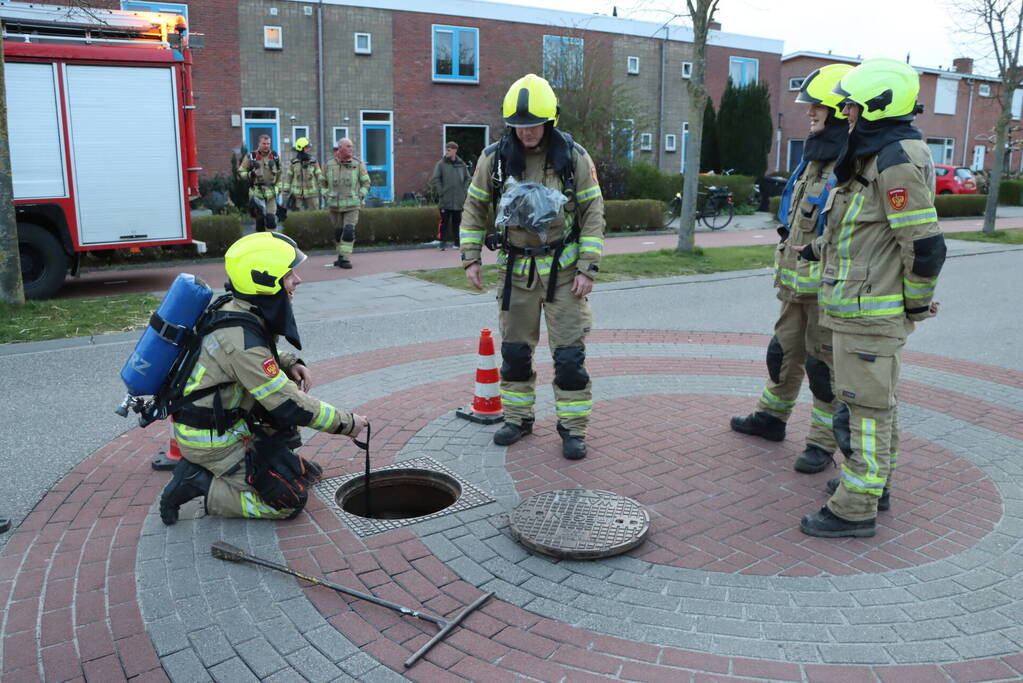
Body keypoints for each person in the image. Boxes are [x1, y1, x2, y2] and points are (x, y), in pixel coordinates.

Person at [798, 58, 945, 537]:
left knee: (865, 411)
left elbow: (923, 245)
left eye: (852, 104)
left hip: (869, 313)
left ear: (877, 105)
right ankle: (874, 485)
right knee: (873, 405)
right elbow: (862, 231)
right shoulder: (874, 152)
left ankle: (854, 507)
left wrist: (917, 305)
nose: (845, 111)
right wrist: (814, 248)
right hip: (856, 307)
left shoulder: (894, 158)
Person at [159, 231, 369, 524]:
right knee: (286, 501)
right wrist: (346, 423)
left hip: (227, 422)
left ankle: (262, 460)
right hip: (212, 439)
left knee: (305, 475)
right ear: (263, 280)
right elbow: (286, 402)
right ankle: (199, 483)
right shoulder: (239, 338)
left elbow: (250, 357)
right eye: (289, 274)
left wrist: (288, 361)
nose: (298, 280)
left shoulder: (239, 306)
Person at [460, 73, 605, 460]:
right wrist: (470, 258)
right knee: (514, 354)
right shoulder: (493, 159)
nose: (526, 133)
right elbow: (474, 209)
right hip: (515, 275)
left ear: (550, 119)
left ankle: (573, 429)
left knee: (570, 357)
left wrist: (587, 267)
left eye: (534, 124)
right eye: (519, 126)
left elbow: (593, 211)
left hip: (564, 275)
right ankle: (518, 419)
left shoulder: (573, 157)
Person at [730, 64, 851, 474]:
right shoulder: (816, 159)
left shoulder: (850, 165)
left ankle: (822, 443)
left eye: (817, 107)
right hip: (795, 288)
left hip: (826, 292)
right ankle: (771, 418)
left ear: (838, 110)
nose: (809, 114)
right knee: (782, 354)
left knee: (822, 368)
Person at [321, 138, 371, 268]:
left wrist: (361, 194)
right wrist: (325, 193)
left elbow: (366, 182)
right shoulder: (329, 164)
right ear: (340, 148)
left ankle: (345, 259)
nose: (351, 149)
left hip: (352, 205)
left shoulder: (358, 164)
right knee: (338, 233)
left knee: (348, 231)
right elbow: (322, 182)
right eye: (348, 146)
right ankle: (340, 256)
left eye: (351, 146)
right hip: (334, 205)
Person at [430, 141, 471, 250]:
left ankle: (457, 243)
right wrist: (441, 191)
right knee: (444, 223)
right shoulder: (441, 164)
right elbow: (435, 178)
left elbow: (468, 178)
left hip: (459, 199)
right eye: (446, 149)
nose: (447, 152)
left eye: (449, 150)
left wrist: (464, 189)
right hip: (445, 199)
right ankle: (442, 243)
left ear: (455, 151)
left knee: (457, 223)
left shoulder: (461, 164)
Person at [237, 134, 281, 232]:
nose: (266, 146)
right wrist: (251, 174)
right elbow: (240, 173)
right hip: (257, 194)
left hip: (271, 194)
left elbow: (280, 174)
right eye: (264, 143)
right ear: (259, 143)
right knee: (260, 222)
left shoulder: (275, 156)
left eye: (268, 143)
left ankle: (272, 243)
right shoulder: (251, 156)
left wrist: (279, 188)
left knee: (271, 220)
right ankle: (261, 242)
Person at [280, 137, 323, 212]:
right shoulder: (294, 163)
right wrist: (285, 192)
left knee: (313, 217)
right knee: (299, 218)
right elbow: (288, 179)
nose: (309, 149)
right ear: (301, 148)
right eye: (307, 147)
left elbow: (320, 177)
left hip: (312, 196)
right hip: (297, 197)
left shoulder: (313, 162)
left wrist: (324, 191)